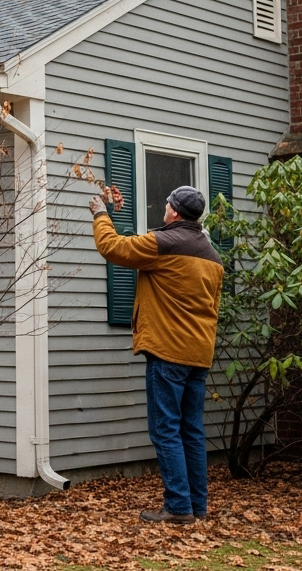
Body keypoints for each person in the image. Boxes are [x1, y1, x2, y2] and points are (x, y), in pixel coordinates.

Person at [88, 184, 223, 524]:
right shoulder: (212, 255)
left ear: (174, 211)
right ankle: (197, 507)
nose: (163, 209)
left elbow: (114, 248)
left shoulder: (165, 243)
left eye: (166, 204)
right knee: (191, 430)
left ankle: (178, 508)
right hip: (199, 353)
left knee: (165, 430)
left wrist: (101, 215)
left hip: (168, 351)